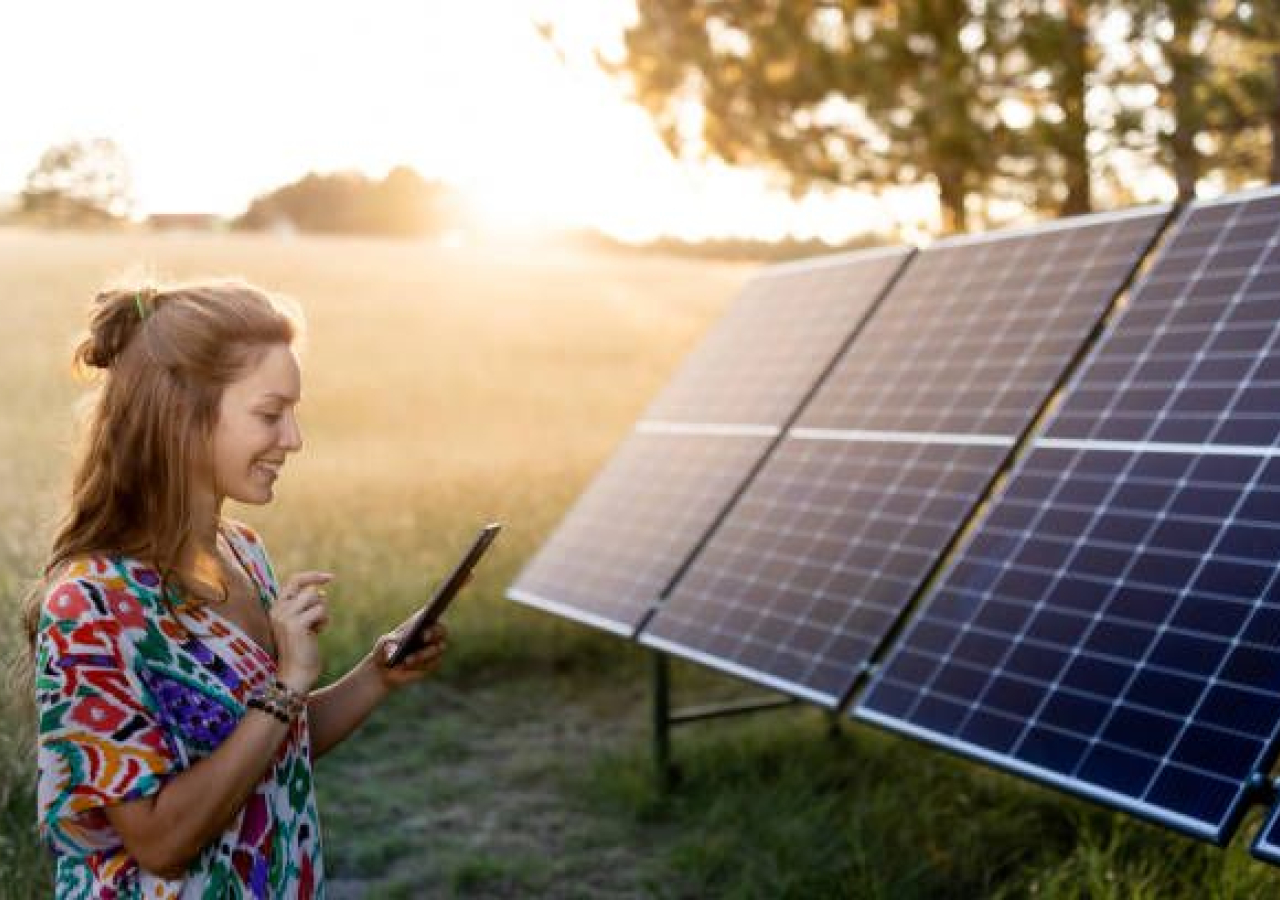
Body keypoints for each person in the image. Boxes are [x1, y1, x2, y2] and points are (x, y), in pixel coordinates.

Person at [21, 279, 447, 898]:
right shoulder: (90, 605)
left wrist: (376, 675)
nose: (294, 438)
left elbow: (269, 751)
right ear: (181, 414)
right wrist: (285, 684)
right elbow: (162, 844)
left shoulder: (241, 550)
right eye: (270, 414)